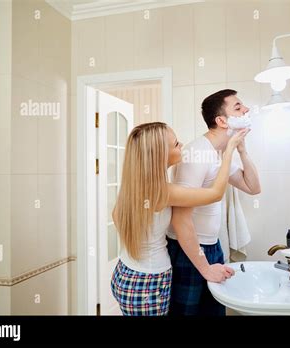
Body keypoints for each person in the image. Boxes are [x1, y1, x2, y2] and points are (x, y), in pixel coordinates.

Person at [110, 121, 248, 316]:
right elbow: (216, 193)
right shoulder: (162, 191)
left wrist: (141, 242)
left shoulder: (133, 184)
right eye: (175, 144)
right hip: (147, 284)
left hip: (125, 272)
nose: (182, 145)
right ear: (159, 155)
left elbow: (116, 216)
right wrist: (229, 151)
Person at [168, 89, 261, 316]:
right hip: (188, 249)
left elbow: (253, 187)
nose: (247, 109)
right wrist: (204, 267)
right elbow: (180, 219)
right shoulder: (197, 152)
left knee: (214, 311)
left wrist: (242, 149)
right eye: (238, 107)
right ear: (221, 121)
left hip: (211, 246)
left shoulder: (221, 153)